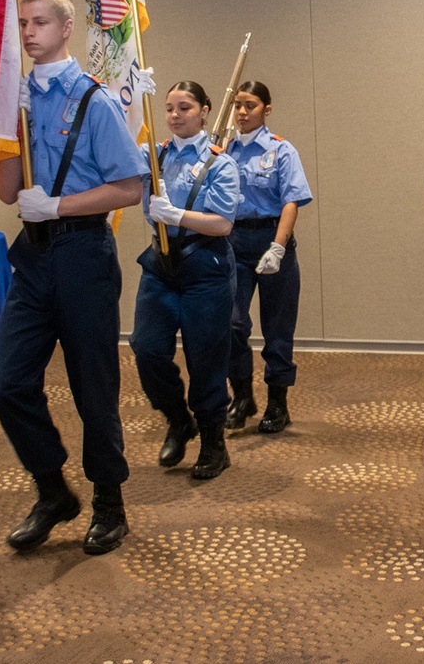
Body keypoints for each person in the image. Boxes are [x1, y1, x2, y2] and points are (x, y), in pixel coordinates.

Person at [0, 0, 146, 558]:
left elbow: (130, 187)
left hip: (82, 253)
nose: (28, 33)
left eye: (38, 23)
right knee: (9, 385)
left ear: (64, 28)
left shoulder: (92, 101)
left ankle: (109, 500)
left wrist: (57, 206)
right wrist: (6, 131)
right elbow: (9, 192)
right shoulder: (18, 100)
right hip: (32, 257)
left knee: (93, 388)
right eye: (23, 24)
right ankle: (53, 489)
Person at [130, 81, 240, 480]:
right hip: (161, 266)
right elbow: (114, 154)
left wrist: (175, 215)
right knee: (146, 349)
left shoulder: (219, 162)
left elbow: (223, 223)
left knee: (205, 357)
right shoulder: (152, 156)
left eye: (185, 108)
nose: (176, 116)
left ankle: (214, 442)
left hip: (204, 267)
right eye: (169, 108)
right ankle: (179, 419)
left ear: (205, 110)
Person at [224, 81, 312, 434]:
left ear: (266, 110)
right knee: (230, 323)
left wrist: (277, 246)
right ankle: (242, 396)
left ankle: (278, 403)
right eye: (238, 105)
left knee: (277, 328)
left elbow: (291, 201)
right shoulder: (222, 150)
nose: (243, 112)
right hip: (231, 242)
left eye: (251, 105)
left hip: (272, 238)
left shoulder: (280, 150)